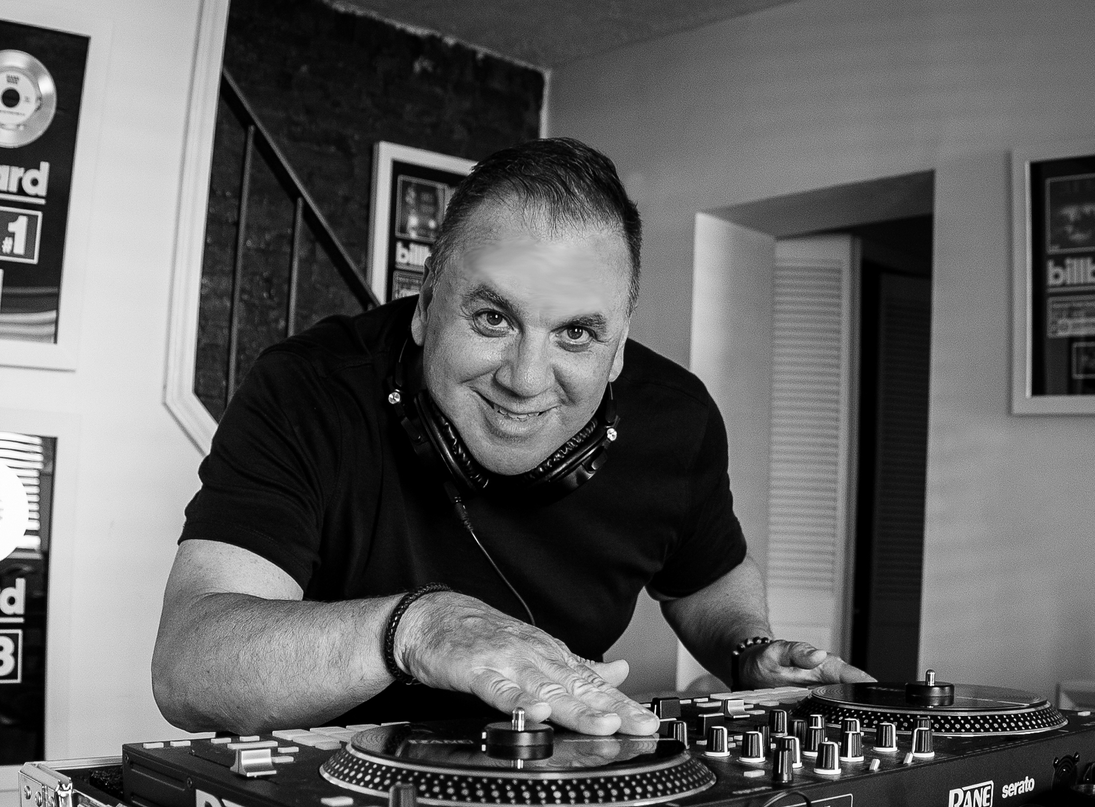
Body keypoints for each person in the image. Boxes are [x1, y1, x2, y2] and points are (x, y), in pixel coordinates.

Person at [152, 137, 873, 737]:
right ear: (425, 306)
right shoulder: (307, 388)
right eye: (493, 318)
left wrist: (747, 648)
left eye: (576, 333)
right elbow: (189, 667)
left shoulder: (677, 418)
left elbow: (709, 577)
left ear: (618, 349)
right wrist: (419, 628)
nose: (526, 380)